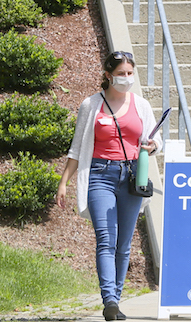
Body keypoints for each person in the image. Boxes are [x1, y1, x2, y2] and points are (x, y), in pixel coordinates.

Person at [56, 51, 164, 322]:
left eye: (130, 73)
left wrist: (152, 146)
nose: (126, 78)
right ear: (108, 74)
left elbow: (155, 140)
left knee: (124, 244)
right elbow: (77, 148)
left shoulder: (141, 105)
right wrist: (64, 183)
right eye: (121, 74)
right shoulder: (91, 105)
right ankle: (110, 300)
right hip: (99, 176)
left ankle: (116, 297)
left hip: (130, 177)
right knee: (106, 238)